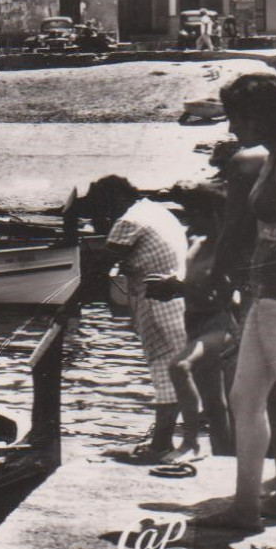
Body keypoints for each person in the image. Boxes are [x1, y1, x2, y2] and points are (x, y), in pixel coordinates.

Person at [197, 73, 276, 549]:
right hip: (268, 297)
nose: (232, 127)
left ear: (264, 115)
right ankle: (246, 506)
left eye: (237, 117)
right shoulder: (272, 157)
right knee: (245, 399)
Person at [85, 176, 191, 463]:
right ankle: (175, 441)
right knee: (178, 372)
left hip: (158, 302)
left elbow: (99, 265)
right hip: (175, 297)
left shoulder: (129, 221)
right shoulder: (155, 210)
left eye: (103, 208)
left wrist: (69, 303)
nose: (104, 215)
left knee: (164, 370)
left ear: (114, 201)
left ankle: (161, 445)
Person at [146, 183, 238, 460]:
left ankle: (191, 444)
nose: (192, 219)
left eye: (198, 213)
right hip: (193, 323)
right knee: (213, 404)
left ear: (217, 215)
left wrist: (179, 288)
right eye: (190, 212)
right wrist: (169, 286)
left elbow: (229, 297)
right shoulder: (195, 244)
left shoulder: (230, 251)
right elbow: (192, 285)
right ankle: (225, 458)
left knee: (179, 366)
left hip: (221, 325)